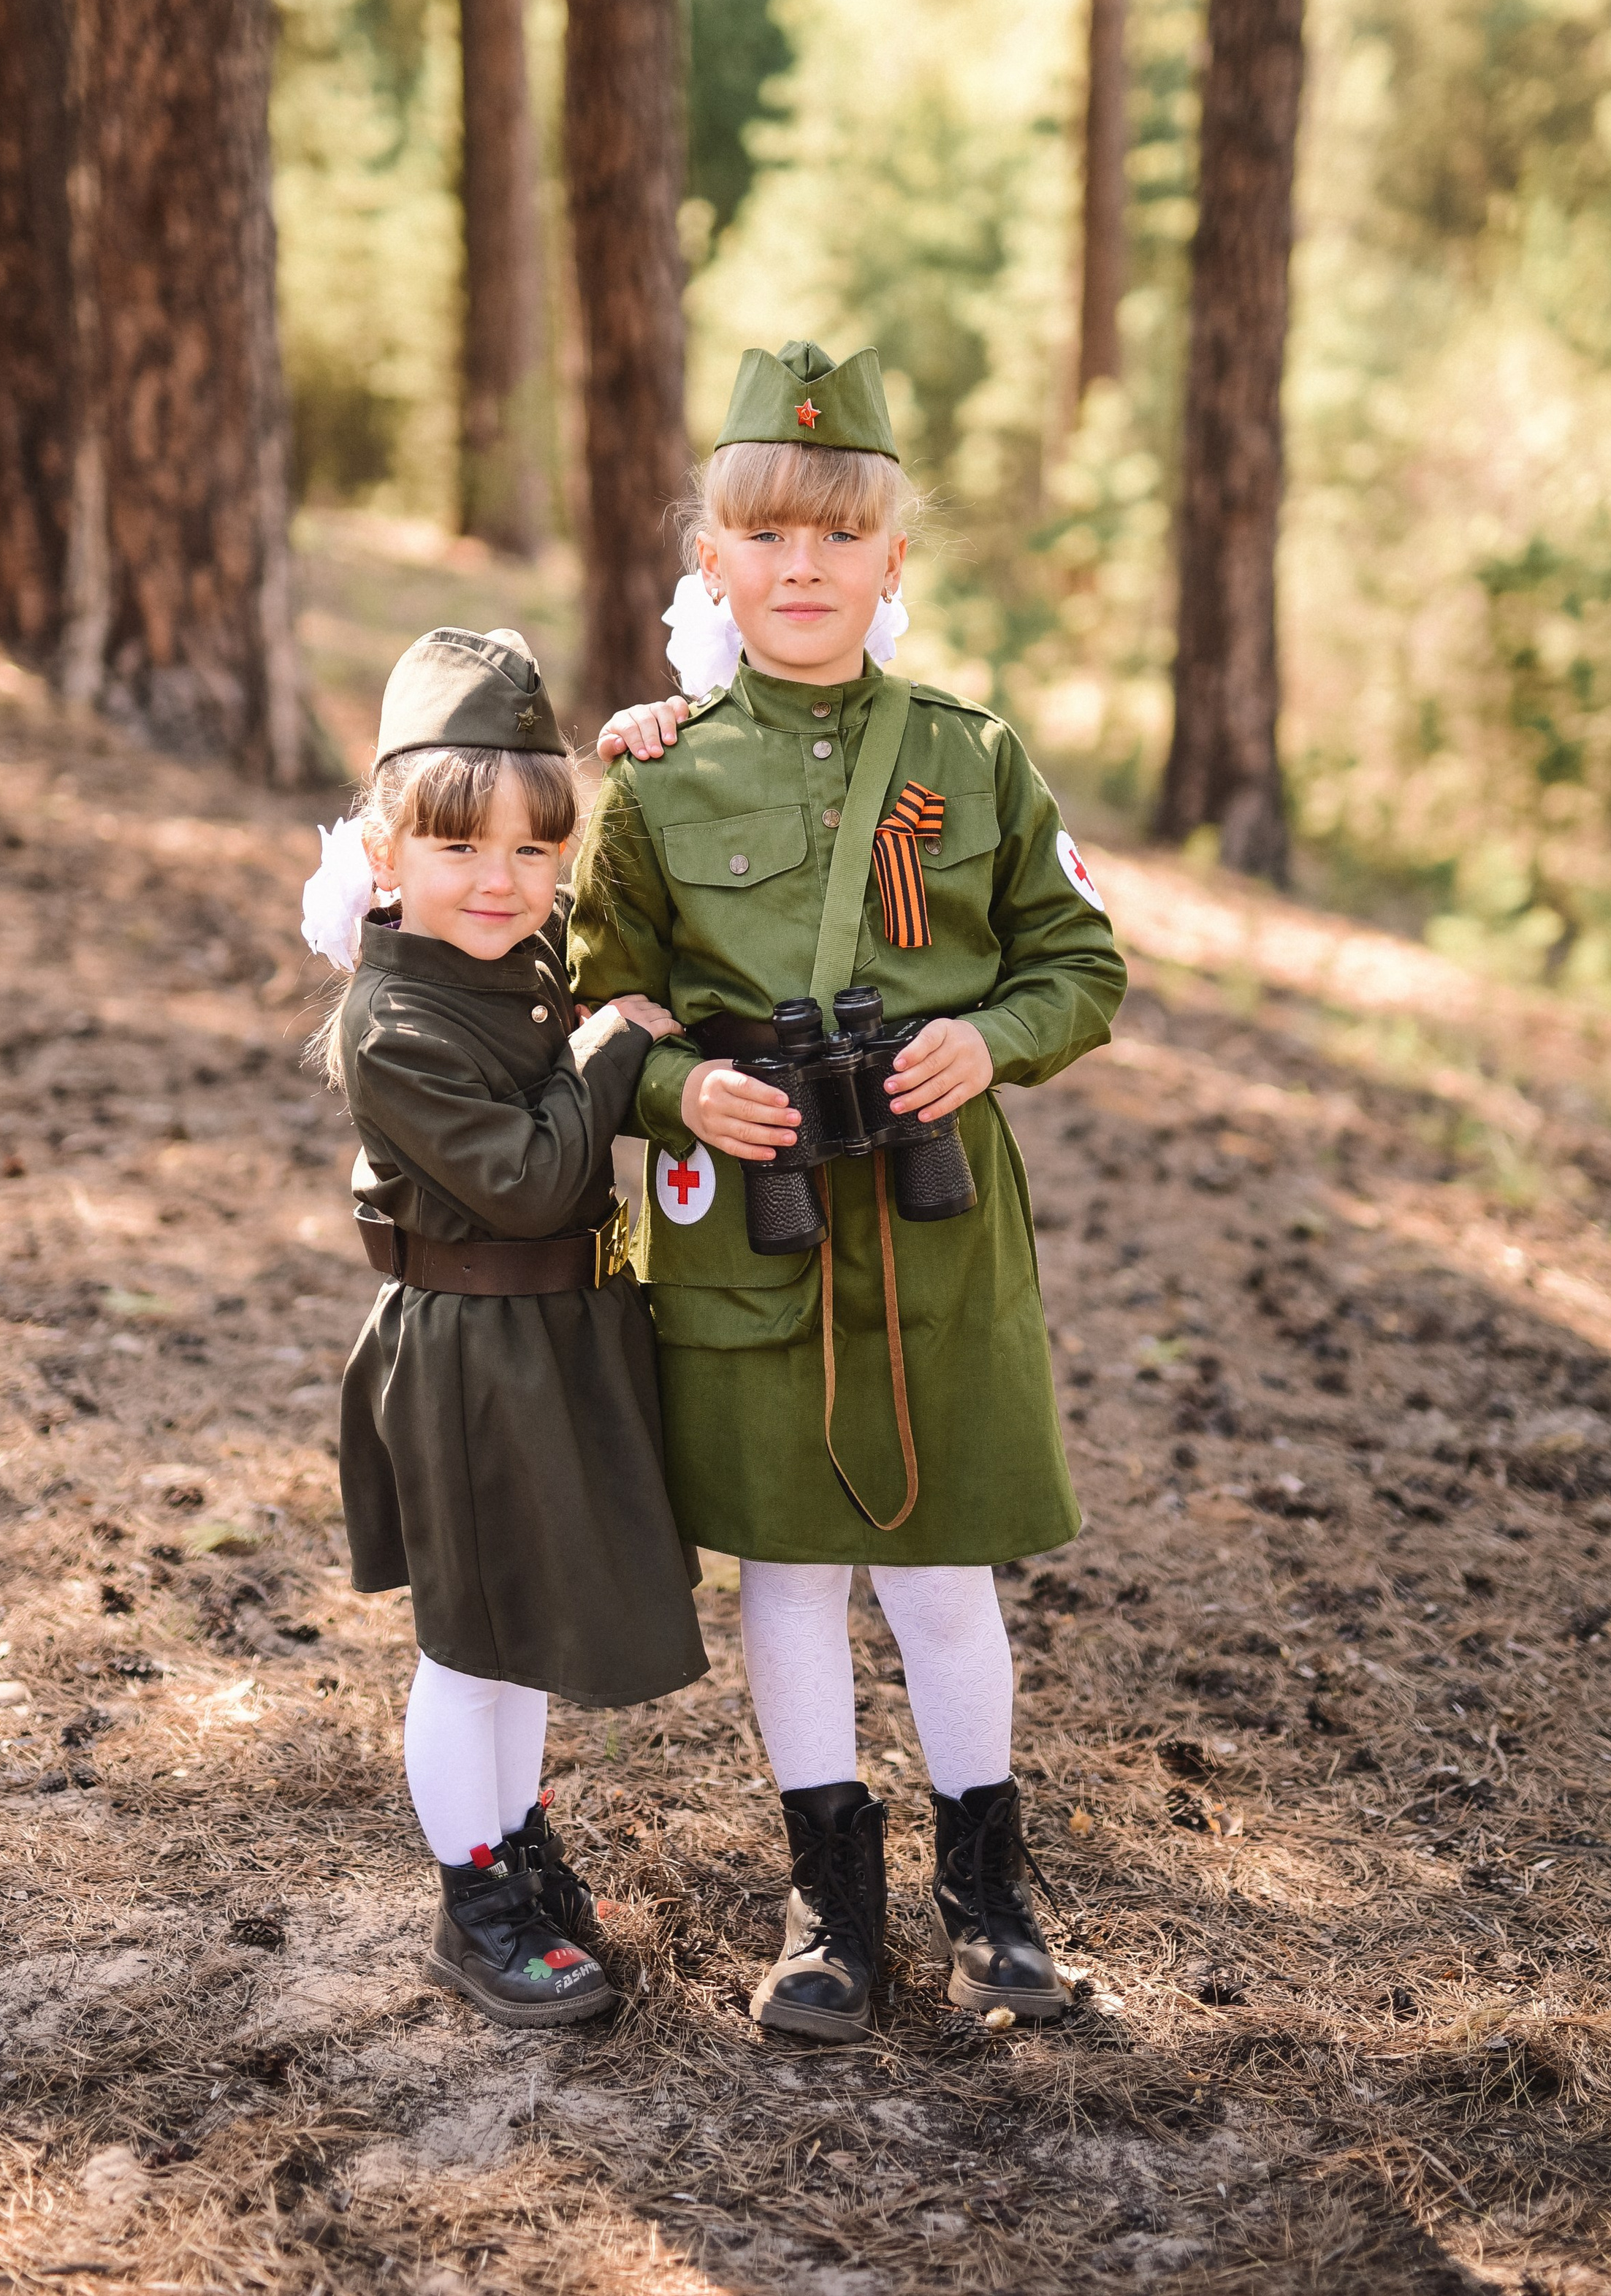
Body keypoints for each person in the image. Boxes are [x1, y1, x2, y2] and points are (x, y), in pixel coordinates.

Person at [571, 339, 1127, 2042]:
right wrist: (680, 1083)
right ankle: (829, 1907)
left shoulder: (974, 756)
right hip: (747, 1226)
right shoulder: (656, 779)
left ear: (892, 560)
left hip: (941, 1226)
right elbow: (592, 998)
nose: (799, 568)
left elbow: (1078, 961)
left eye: (836, 538)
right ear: (711, 562)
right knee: (787, 1573)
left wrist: (993, 1042)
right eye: (764, 536)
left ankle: (992, 1899)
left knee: (943, 1571)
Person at [302, 625, 708, 2029]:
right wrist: (612, 1046)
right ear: (389, 852)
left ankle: (516, 1842)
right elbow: (532, 1176)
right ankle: (473, 1901)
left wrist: (657, 728)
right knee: (470, 1638)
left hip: (558, 1339)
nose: (502, 882)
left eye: (536, 853)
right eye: (464, 850)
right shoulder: (392, 1020)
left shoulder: (519, 960)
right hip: (470, 1353)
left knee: (523, 1622)